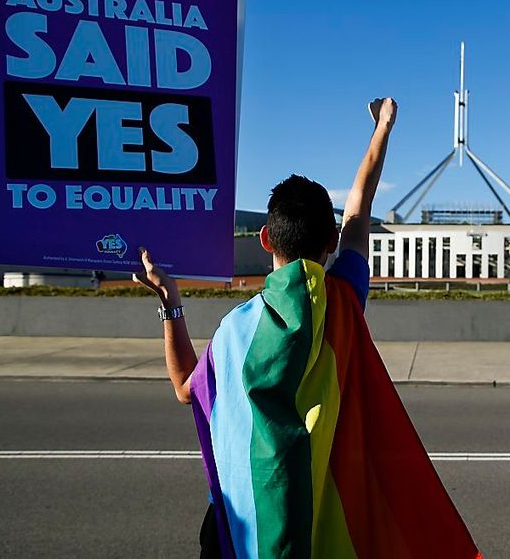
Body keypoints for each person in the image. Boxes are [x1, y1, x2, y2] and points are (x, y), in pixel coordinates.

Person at [134, 98, 480, 558]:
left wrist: (170, 304)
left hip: (241, 535)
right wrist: (383, 128)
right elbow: (359, 210)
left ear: (265, 239)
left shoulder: (236, 330)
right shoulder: (343, 302)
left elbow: (184, 387)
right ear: (331, 241)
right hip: (326, 524)